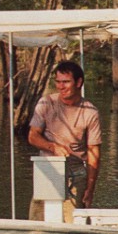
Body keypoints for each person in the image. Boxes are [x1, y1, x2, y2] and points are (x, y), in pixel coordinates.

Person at [27, 60, 102, 213]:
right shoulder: (46, 103)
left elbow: (94, 153)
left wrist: (90, 188)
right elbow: (33, 136)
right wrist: (52, 147)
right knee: (38, 220)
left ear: (78, 82)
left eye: (66, 82)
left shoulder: (91, 112)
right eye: (58, 82)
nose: (61, 86)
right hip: (47, 170)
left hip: (75, 174)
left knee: (73, 221)